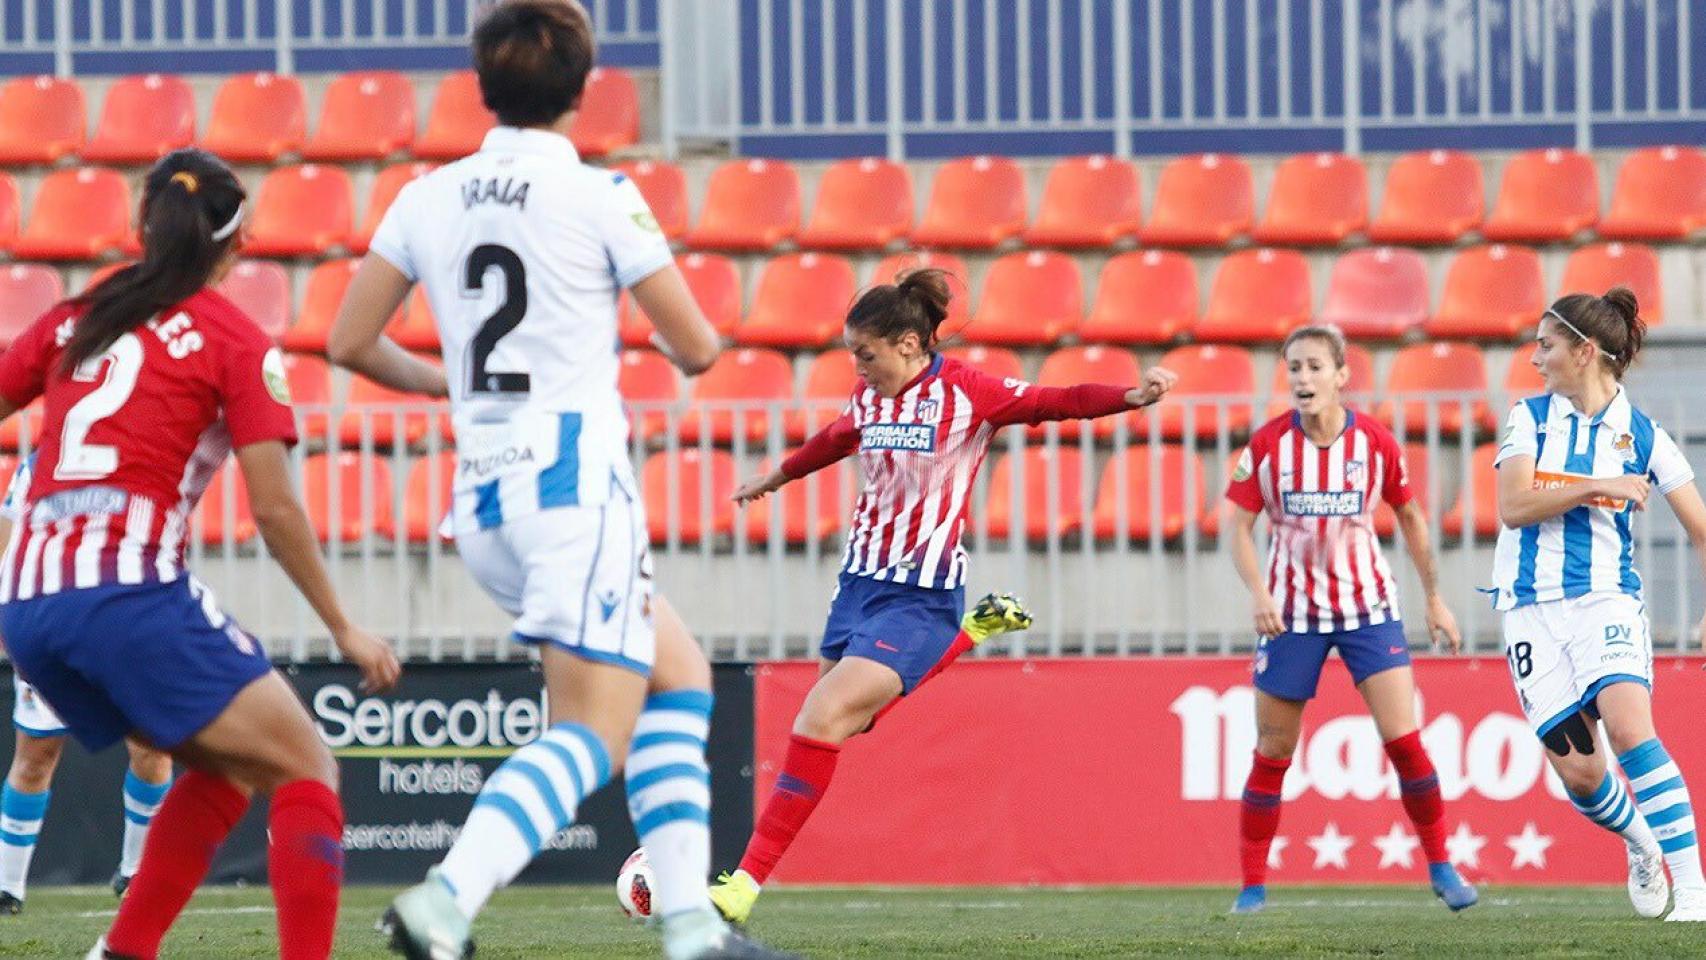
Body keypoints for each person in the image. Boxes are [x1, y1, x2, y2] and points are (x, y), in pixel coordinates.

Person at [326, 3, 793, 957]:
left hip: (487, 497)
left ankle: (692, 928)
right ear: (584, 92)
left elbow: (349, 342)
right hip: (575, 488)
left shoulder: (427, 197)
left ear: (482, 88)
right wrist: (633, 326)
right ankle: (445, 898)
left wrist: (452, 389)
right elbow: (700, 347)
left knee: (680, 675)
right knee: (590, 731)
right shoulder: (600, 194)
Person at [0, 147, 399, 960]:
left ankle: (123, 951)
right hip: (127, 594)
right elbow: (276, 507)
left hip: (28, 603)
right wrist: (344, 627)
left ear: (141, 228)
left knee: (226, 767)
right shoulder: (235, 339)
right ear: (239, 241)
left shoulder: (80, 314)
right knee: (308, 767)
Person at [705, 268, 1177, 925]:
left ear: (906, 344)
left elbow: (1054, 400)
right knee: (851, 720)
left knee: (818, 718)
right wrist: (777, 477)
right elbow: (840, 437)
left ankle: (742, 885)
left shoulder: (966, 393)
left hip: (920, 596)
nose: (857, 367)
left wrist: (1129, 396)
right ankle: (975, 635)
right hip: (858, 587)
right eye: (852, 356)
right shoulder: (869, 399)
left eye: (864, 354)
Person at [1222, 324, 1477, 915]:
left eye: (1314, 367)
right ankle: (1252, 888)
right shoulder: (1266, 446)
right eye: (1294, 368)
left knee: (1405, 743)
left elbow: (1411, 519)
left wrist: (1434, 597)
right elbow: (1234, 526)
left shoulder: (1376, 443)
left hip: (1369, 612)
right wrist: (1258, 591)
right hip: (1291, 617)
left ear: (1341, 376)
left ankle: (1442, 868)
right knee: (1274, 749)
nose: (1302, 379)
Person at [1492, 287, 1706, 922]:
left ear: (1584, 352)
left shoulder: (1645, 436)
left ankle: (1693, 890)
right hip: (1529, 608)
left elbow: (1700, 527)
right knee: (1582, 777)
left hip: (1605, 601)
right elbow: (1513, 506)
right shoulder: (1527, 420)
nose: (1535, 358)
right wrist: (1596, 486)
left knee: (1631, 730)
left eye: (1546, 345)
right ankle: (1641, 842)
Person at [0, 455, 173, 913]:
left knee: (152, 747)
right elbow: (8, 535)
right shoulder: (41, 464)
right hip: (53, 620)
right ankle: (7, 886)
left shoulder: (145, 452)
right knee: (36, 753)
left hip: (127, 622)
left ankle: (137, 872)